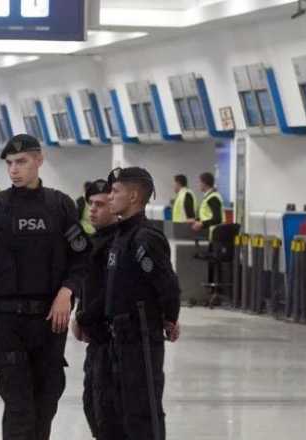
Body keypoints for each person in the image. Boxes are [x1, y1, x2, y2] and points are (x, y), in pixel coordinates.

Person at [0, 134, 90, 440]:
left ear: (39, 160)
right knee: (19, 405)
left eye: (21, 162)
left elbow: (82, 258)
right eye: (9, 164)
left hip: (51, 322)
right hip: (9, 321)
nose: (14, 170)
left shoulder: (60, 206)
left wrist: (67, 291)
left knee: (46, 402)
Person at [104, 167, 182, 440]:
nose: (110, 196)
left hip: (140, 336)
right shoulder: (121, 235)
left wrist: (169, 318)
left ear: (134, 195)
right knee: (123, 410)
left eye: (116, 191)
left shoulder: (144, 237)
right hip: (120, 337)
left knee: (143, 411)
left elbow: (168, 285)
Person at [70, 179, 123, 439]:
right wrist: (79, 312)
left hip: (113, 341)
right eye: (90, 204)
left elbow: (110, 291)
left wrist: (83, 316)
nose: (92, 210)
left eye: (100, 204)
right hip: (96, 341)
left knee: (108, 413)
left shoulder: (120, 243)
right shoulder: (93, 242)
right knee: (93, 406)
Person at [190, 172, 223, 238]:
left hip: (215, 235)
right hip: (210, 233)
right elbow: (207, 216)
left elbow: (217, 219)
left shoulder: (213, 198)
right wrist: (196, 220)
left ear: (204, 183)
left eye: (200, 182)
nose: (199, 185)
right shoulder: (208, 197)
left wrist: (201, 224)